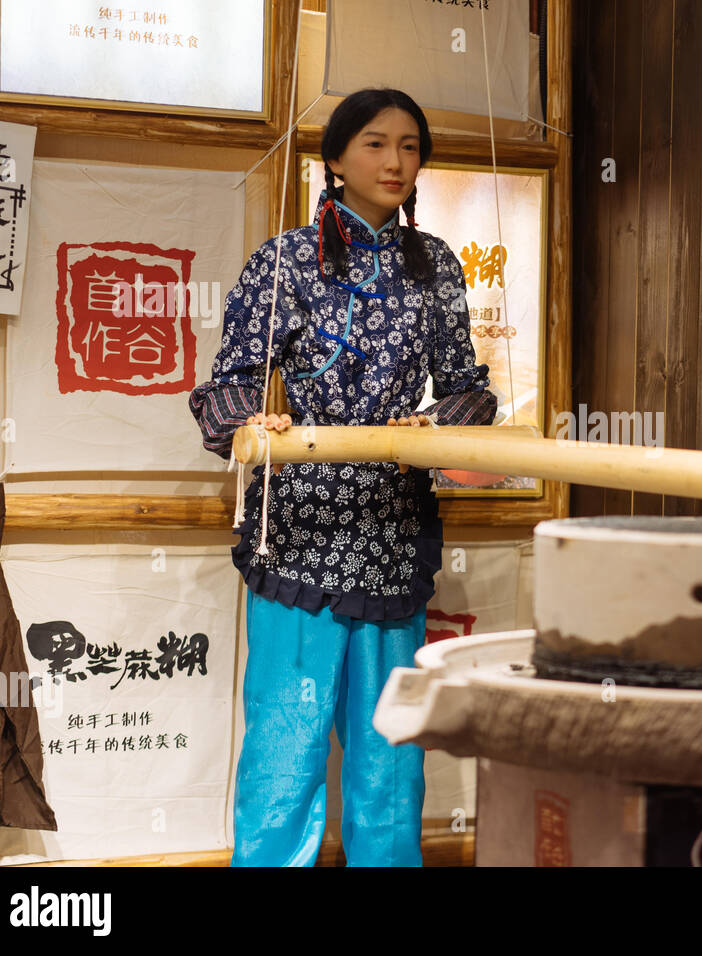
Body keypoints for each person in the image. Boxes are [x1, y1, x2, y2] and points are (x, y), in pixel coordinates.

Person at [189, 88, 497, 867]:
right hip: (299, 536)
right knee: (286, 752)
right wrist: (259, 425)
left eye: (410, 146)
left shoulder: (438, 268)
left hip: (393, 532)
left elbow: (465, 389)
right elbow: (228, 386)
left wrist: (432, 428)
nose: (395, 161)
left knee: (390, 756)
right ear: (333, 159)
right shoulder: (283, 259)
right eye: (374, 144)